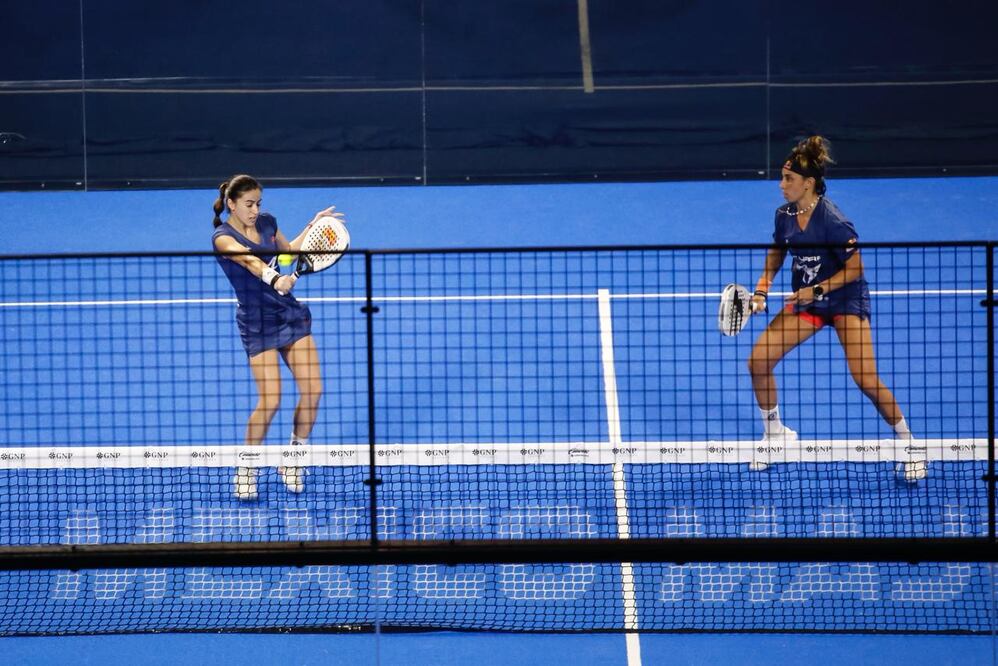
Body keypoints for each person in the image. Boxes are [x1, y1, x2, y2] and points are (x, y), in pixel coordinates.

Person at [746, 137, 925, 482]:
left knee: (866, 380)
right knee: (758, 361)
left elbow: (856, 269)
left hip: (844, 299)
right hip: (809, 301)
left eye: (789, 179)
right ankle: (775, 435)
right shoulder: (784, 215)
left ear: (808, 183)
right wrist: (761, 290)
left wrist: (814, 290)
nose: (781, 186)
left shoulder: (834, 221)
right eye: (782, 178)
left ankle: (911, 447)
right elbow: (777, 252)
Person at [212, 174, 339, 499]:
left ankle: (293, 460)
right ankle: (246, 468)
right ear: (231, 204)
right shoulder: (222, 238)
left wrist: (312, 229)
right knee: (271, 400)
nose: (255, 210)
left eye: (258, 203)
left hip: (288, 314)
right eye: (248, 204)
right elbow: (251, 262)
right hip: (256, 323)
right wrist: (274, 278)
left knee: (313, 390)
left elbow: (290, 250)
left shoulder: (267, 222)